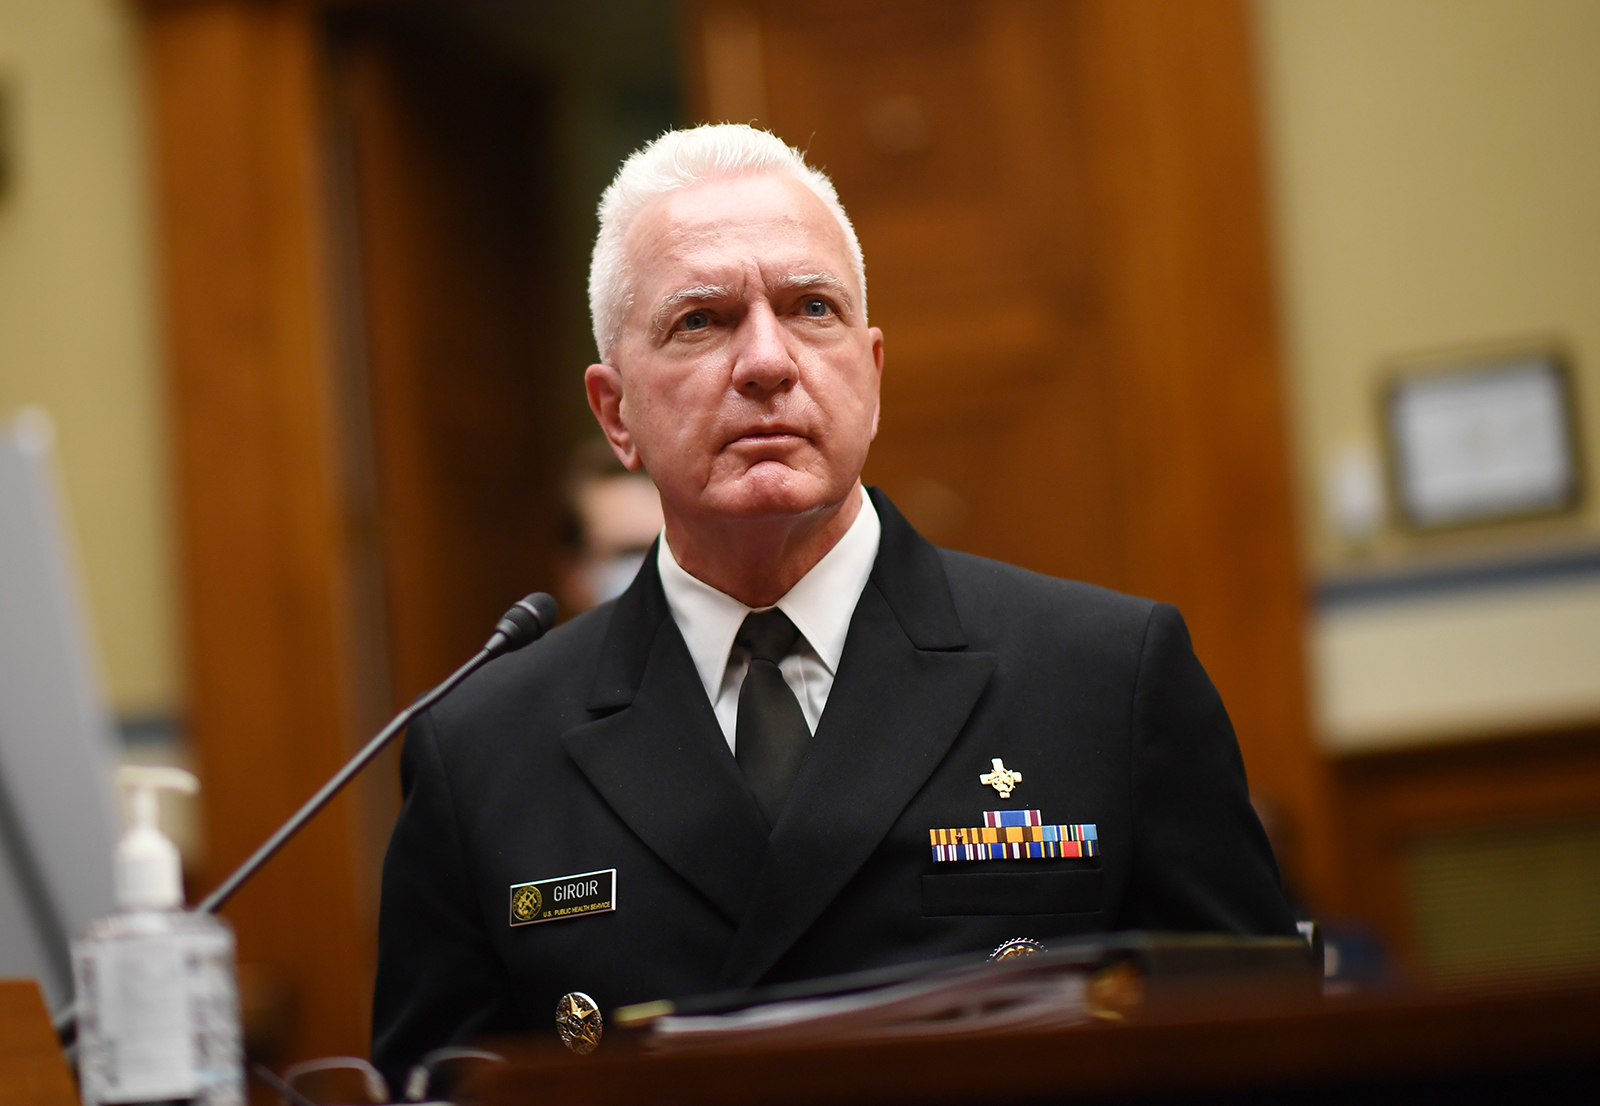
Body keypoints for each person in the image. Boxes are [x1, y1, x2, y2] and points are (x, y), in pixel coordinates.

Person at [372, 124, 1295, 1078]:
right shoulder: (480, 752)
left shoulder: (1107, 675)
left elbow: (1267, 1057)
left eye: (812, 308)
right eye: (702, 320)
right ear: (616, 414)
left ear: (872, 372)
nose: (768, 361)